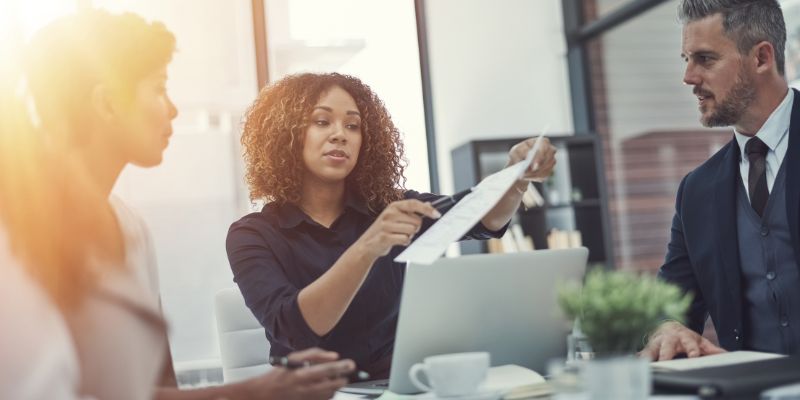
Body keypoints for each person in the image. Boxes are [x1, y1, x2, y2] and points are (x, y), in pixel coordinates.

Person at [0, 9, 354, 399]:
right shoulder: (14, 231)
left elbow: (151, 388)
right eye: (157, 89)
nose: (172, 109)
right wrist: (249, 394)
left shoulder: (128, 228)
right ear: (107, 103)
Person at [226, 72, 557, 378]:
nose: (340, 135)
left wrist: (516, 176)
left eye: (353, 126)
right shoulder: (252, 235)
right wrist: (368, 247)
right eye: (322, 121)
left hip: (392, 387)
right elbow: (299, 330)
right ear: (286, 136)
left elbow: (481, 216)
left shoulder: (386, 209)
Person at [642, 0, 800, 361]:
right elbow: (668, 305)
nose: (689, 77)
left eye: (705, 59)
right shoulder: (696, 191)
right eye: (686, 60)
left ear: (761, 57)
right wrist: (666, 326)